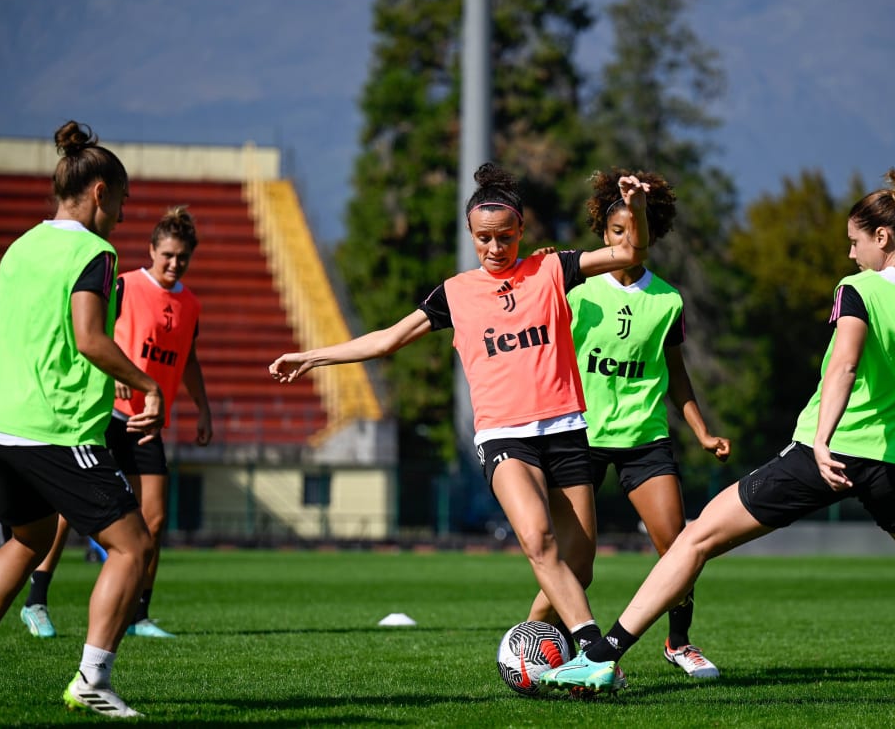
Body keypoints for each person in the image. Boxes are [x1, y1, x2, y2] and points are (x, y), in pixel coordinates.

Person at [539, 163, 895, 719]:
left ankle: (604, 656)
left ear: (882, 237)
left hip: (828, 453)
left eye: (856, 242)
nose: (851, 255)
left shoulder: (860, 290)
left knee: (696, 538)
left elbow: (844, 368)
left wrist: (824, 441)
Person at [270, 162, 650, 656]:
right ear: (470, 235)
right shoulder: (454, 293)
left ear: (521, 230)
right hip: (504, 436)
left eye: (505, 237)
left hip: (565, 427)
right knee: (539, 541)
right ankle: (593, 652)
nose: (495, 249)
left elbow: (628, 251)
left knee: (579, 564)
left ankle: (530, 646)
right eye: (484, 239)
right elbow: (388, 340)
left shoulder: (553, 268)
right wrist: (313, 356)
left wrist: (636, 208)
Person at [0, 121, 163, 718]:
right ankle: (92, 679)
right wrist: (145, 382)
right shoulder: (96, 252)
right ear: (98, 193)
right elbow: (91, 338)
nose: (120, 212)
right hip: (55, 429)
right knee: (133, 548)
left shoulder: (18, 248)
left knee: (30, 537)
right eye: (120, 199)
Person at [530, 168, 731, 678]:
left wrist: (701, 430)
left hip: (645, 437)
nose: (625, 240)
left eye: (633, 231)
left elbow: (677, 374)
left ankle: (679, 642)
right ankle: (534, 642)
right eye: (615, 232)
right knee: (579, 560)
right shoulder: (577, 292)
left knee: (679, 544)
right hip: (580, 435)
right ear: (603, 234)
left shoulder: (667, 300)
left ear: (650, 235)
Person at [18, 206, 212, 641]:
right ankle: (36, 600)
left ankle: (138, 614)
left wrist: (203, 407)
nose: (174, 263)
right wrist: (114, 377)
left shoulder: (190, 304)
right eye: (167, 254)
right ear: (151, 250)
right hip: (105, 413)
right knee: (69, 509)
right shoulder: (124, 285)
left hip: (146, 421)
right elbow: (90, 333)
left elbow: (189, 358)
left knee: (155, 519)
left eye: (182, 257)